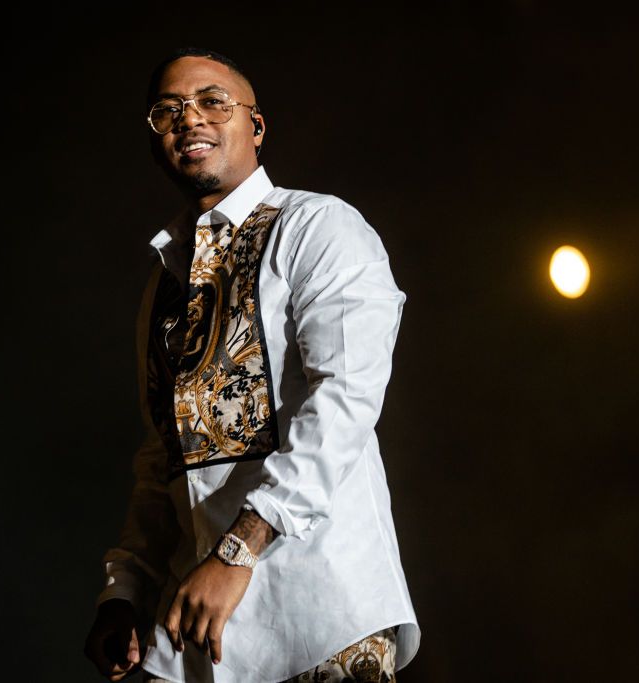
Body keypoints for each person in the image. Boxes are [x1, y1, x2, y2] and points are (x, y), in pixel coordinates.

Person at [83, 47, 420, 683]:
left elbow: (344, 398)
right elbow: (164, 457)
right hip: (193, 639)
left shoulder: (318, 226)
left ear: (256, 127)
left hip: (319, 615)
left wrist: (238, 551)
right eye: (168, 110)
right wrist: (124, 591)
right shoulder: (165, 286)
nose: (190, 119)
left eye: (213, 101)